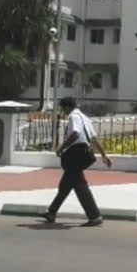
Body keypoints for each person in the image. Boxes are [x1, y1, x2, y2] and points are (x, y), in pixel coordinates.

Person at [42, 97, 112, 226]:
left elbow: (75, 133)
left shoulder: (73, 117)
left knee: (79, 184)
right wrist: (104, 155)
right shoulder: (85, 118)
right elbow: (94, 139)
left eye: (63, 108)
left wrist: (61, 147)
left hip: (76, 152)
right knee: (67, 183)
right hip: (84, 152)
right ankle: (51, 212)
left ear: (68, 107)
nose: (63, 111)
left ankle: (95, 216)